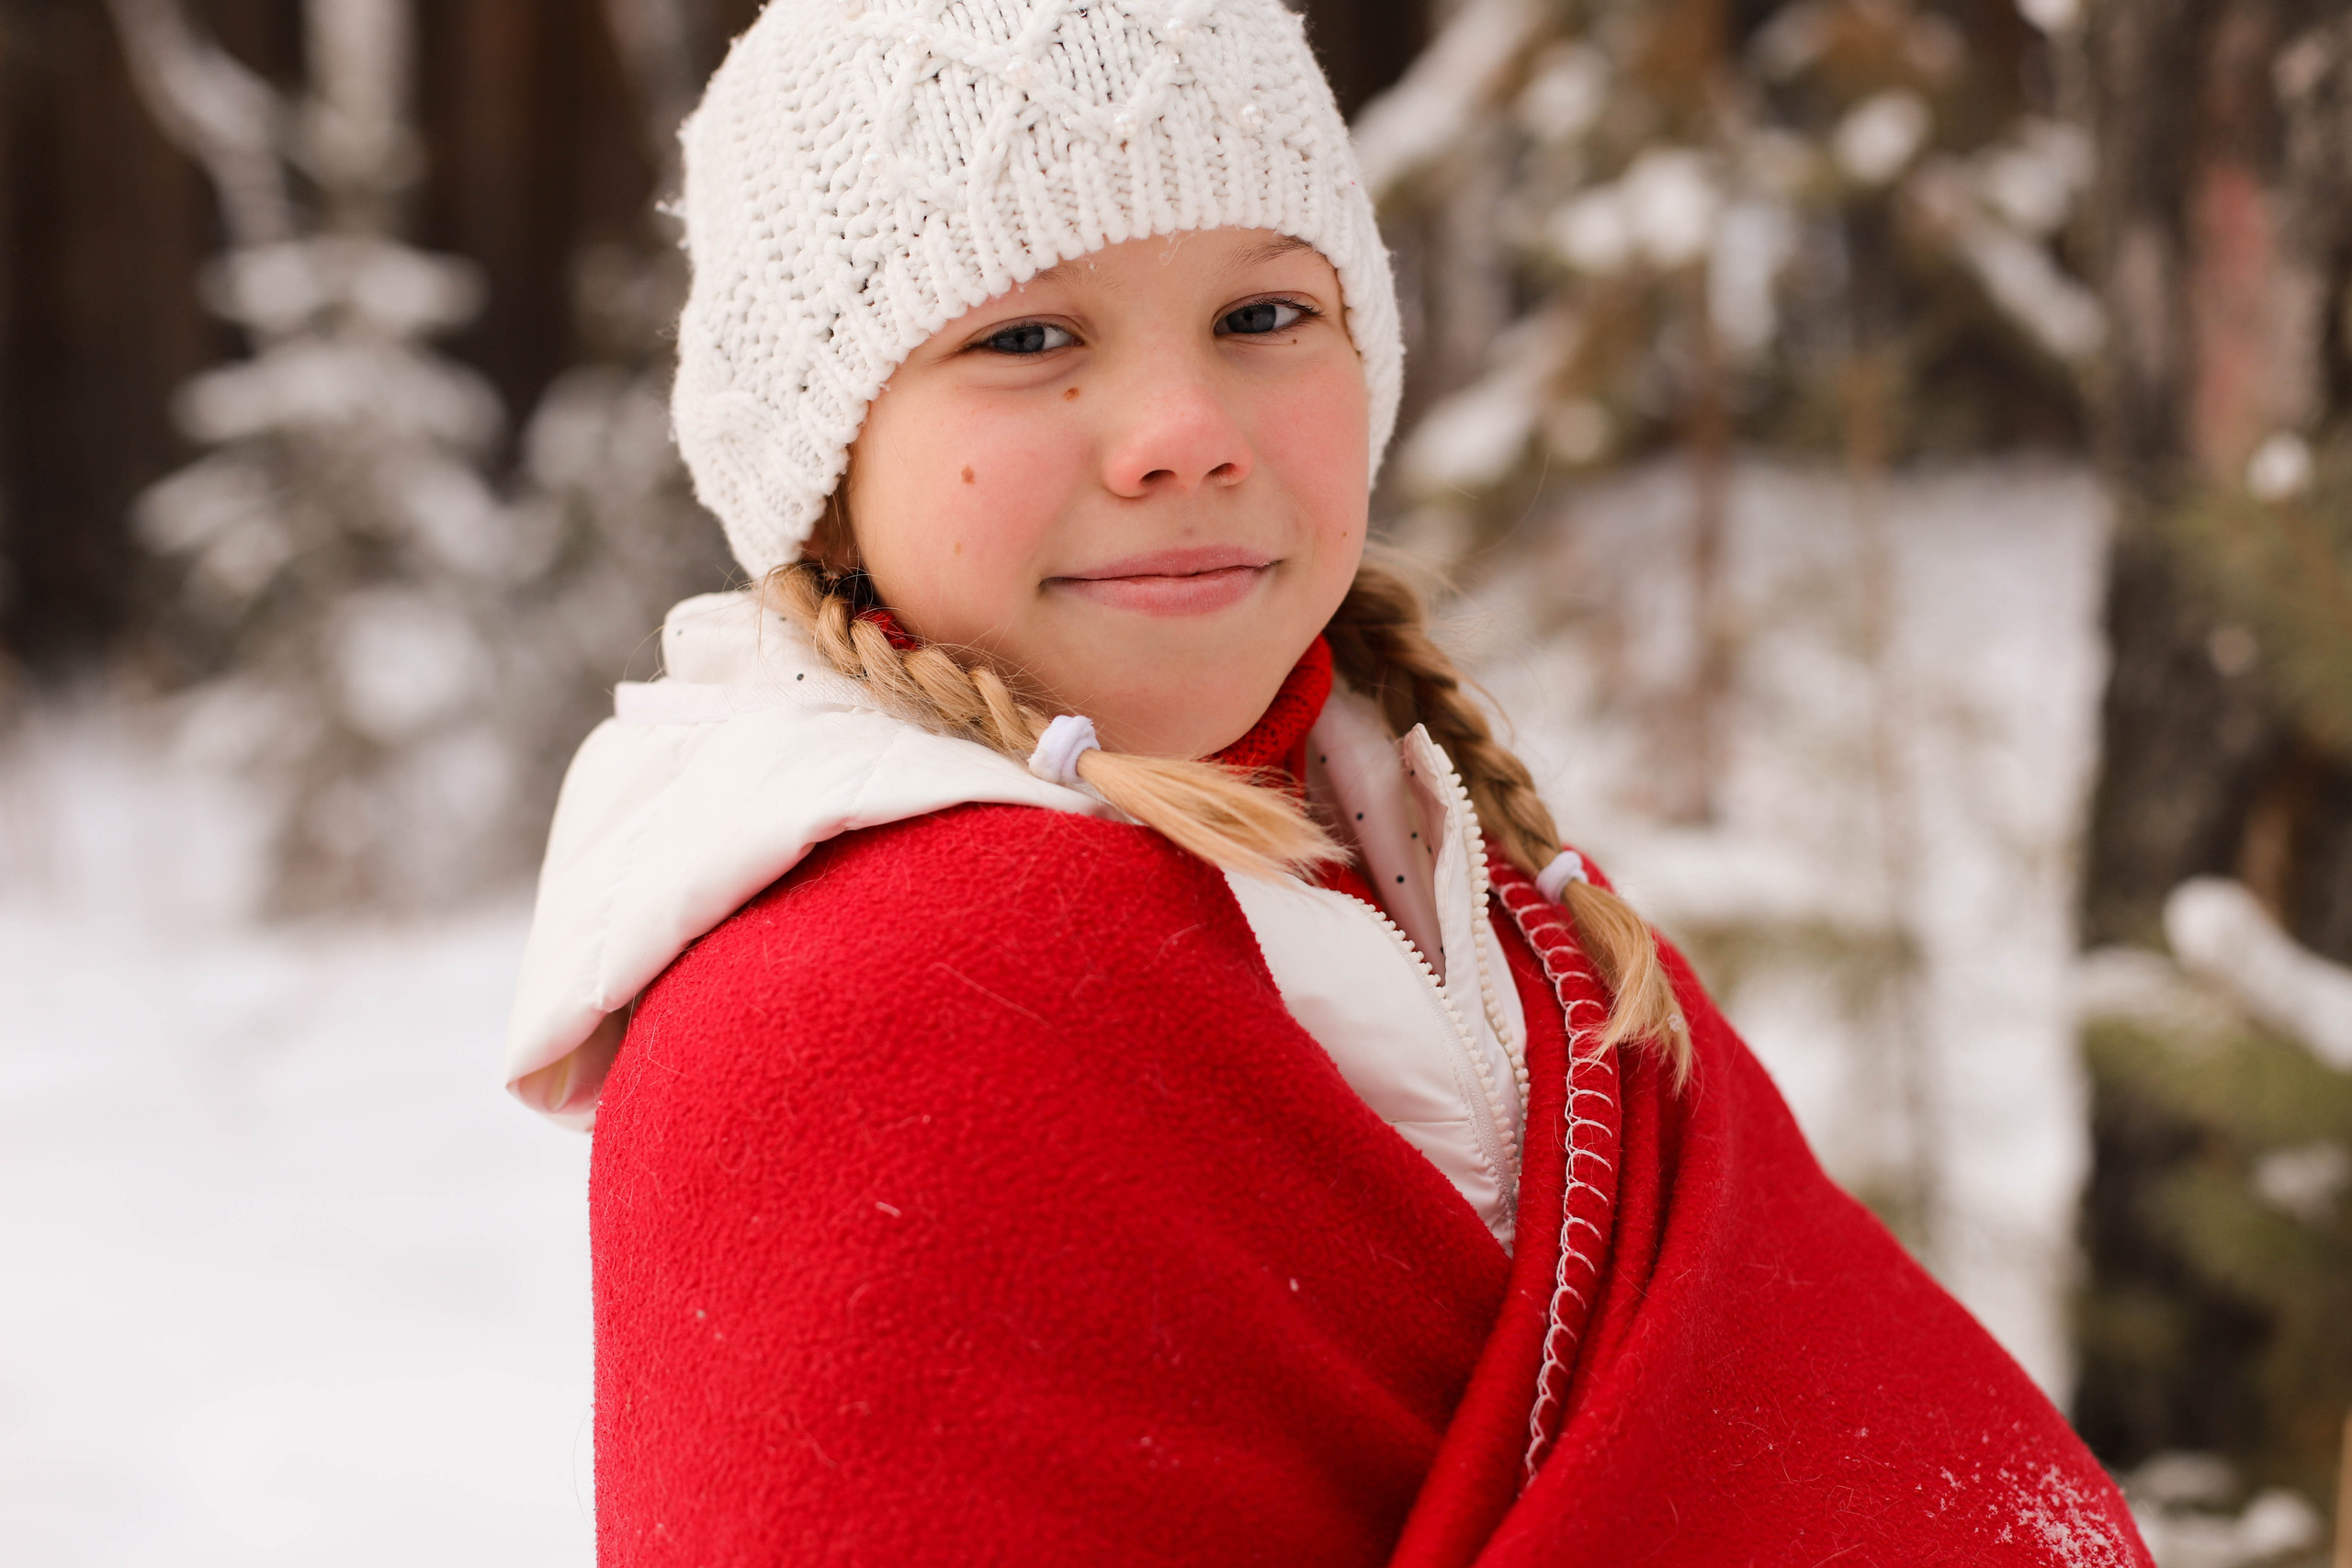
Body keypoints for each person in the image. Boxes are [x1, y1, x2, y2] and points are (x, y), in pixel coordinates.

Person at [503, 2, 2152, 1562]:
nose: (1182, 431)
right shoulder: (854, 1020)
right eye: (1026, 335)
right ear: (821, 463)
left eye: (1264, 316)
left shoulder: (1478, 881)